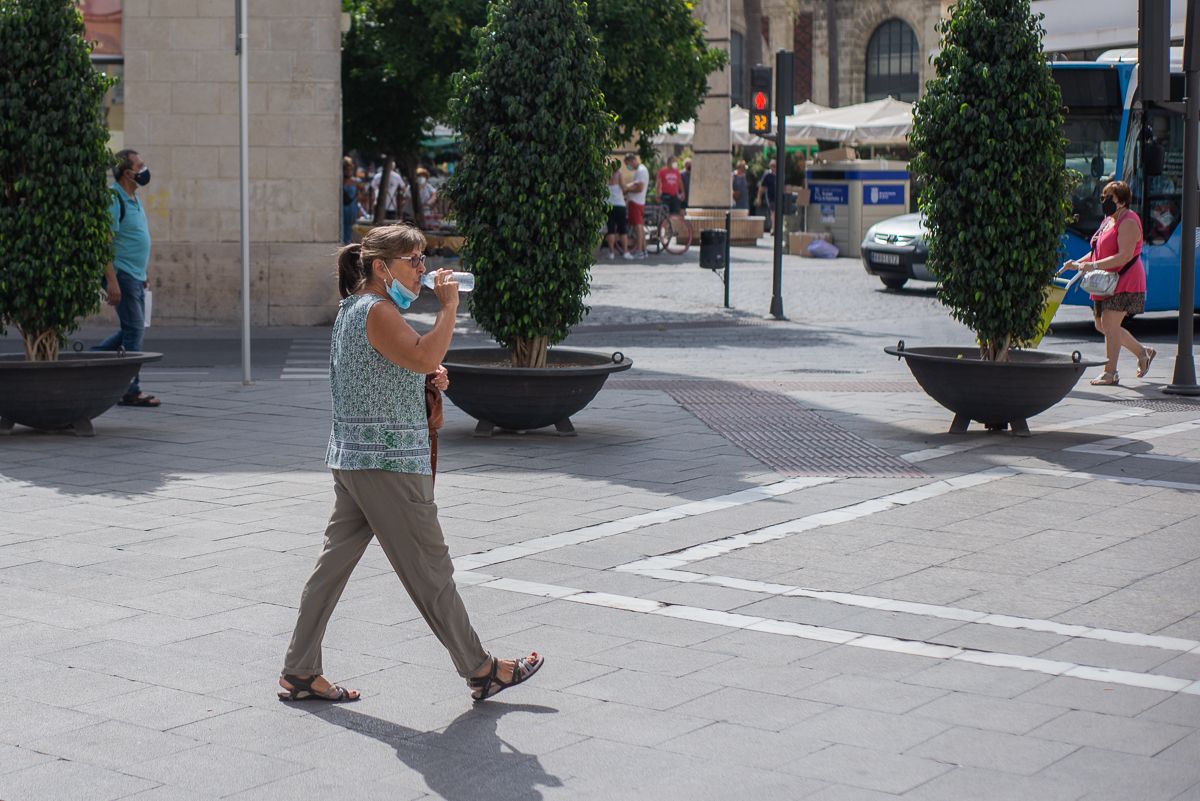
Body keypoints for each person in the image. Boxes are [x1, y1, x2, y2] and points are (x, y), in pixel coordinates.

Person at [278, 223, 543, 704]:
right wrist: (448, 309)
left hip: (355, 457)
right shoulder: (377, 310)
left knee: (331, 568)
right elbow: (421, 356)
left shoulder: (353, 308)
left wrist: (424, 376)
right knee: (430, 568)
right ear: (382, 267)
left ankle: (299, 670)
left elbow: (389, 369)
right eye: (414, 260)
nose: (423, 269)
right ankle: (481, 669)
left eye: (424, 258)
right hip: (389, 461)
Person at [1064, 180, 1155, 386]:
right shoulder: (1108, 221)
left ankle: (1110, 372)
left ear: (1122, 201)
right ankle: (1143, 352)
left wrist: (1093, 265)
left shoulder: (1129, 221)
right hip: (1105, 281)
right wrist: (1077, 264)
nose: (1105, 201)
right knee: (1101, 325)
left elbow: (1124, 256)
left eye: (1109, 198)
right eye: (1103, 197)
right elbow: (1097, 251)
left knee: (1110, 324)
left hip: (1125, 279)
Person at [92, 148, 159, 408]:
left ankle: (92, 359)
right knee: (134, 329)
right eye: (139, 166)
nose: (144, 170)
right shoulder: (114, 198)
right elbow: (104, 244)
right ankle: (130, 390)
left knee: (132, 329)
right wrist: (112, 281)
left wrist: (143, 274)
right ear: (127, 173)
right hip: (122, 274)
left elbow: (135, 238)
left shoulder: (134, 197)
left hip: (135, 275)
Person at [623, 153, 649, 259]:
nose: (627, 167)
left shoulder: (641, 171)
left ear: (632, 161)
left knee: (637, 227)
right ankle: (643, 250)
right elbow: (637, 185)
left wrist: (627, 189)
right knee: (640, 227)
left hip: (636, 202)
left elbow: (639, 188)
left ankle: (639, 251)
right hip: (638, 202)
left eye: (627, 164)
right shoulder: (640, 170)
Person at [656, 155, 686, 234]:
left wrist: (682, 192)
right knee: (664, 214)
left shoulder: (676, 171)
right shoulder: (662, 171)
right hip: (665, 195)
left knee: (675, 213)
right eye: (674, 161)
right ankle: (663, 231)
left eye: (676, 161)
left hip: (674, 195)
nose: (675, 163)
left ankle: (673, 230)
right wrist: (657, 194)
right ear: (669, 162)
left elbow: (680, 182)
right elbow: (658, 183)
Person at [605, 166, 628, 260]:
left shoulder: (605, 175)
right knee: (623, 229)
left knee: (610, 230)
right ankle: (625, 252)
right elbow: (624, 188)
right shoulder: (619, 174)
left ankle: (611, 253)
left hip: (608, 205)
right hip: (619, 205)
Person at [341, 156, 360, 245]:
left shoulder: (356, 182)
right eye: (346, 169)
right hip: (342, 209)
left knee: (351, 230)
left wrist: (359, 210)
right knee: (343, 230)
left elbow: (360, 197)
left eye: (350, 169)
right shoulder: (339, 181)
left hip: (352, 209)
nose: (348, 171)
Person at [756, 159, 778, 234]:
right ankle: (774, 228)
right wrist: (759, 198)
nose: (774, 168)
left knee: (777, 213)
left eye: (775, 166)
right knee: (773, 212)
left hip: (778, 197)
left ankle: (776, 228)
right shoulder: (767, 175)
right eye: (772, 166)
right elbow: (761, 187)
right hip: (770, 197)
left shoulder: (779, 174)